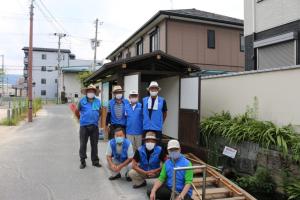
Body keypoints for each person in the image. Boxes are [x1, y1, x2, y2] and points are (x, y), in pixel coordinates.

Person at [75, 84, 102, 169]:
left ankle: (95, 161)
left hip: (94, 126)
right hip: (84, 126)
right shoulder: (82, 101)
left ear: (94, 92)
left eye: (92, 91)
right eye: (89, 91)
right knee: (83, 144)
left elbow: (100, 112)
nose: (91, 92)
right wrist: (81, 119)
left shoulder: (98, 101)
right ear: (86, 92)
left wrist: (96, 117)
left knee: (94, 144)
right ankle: (82, 161)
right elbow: (76, 111)